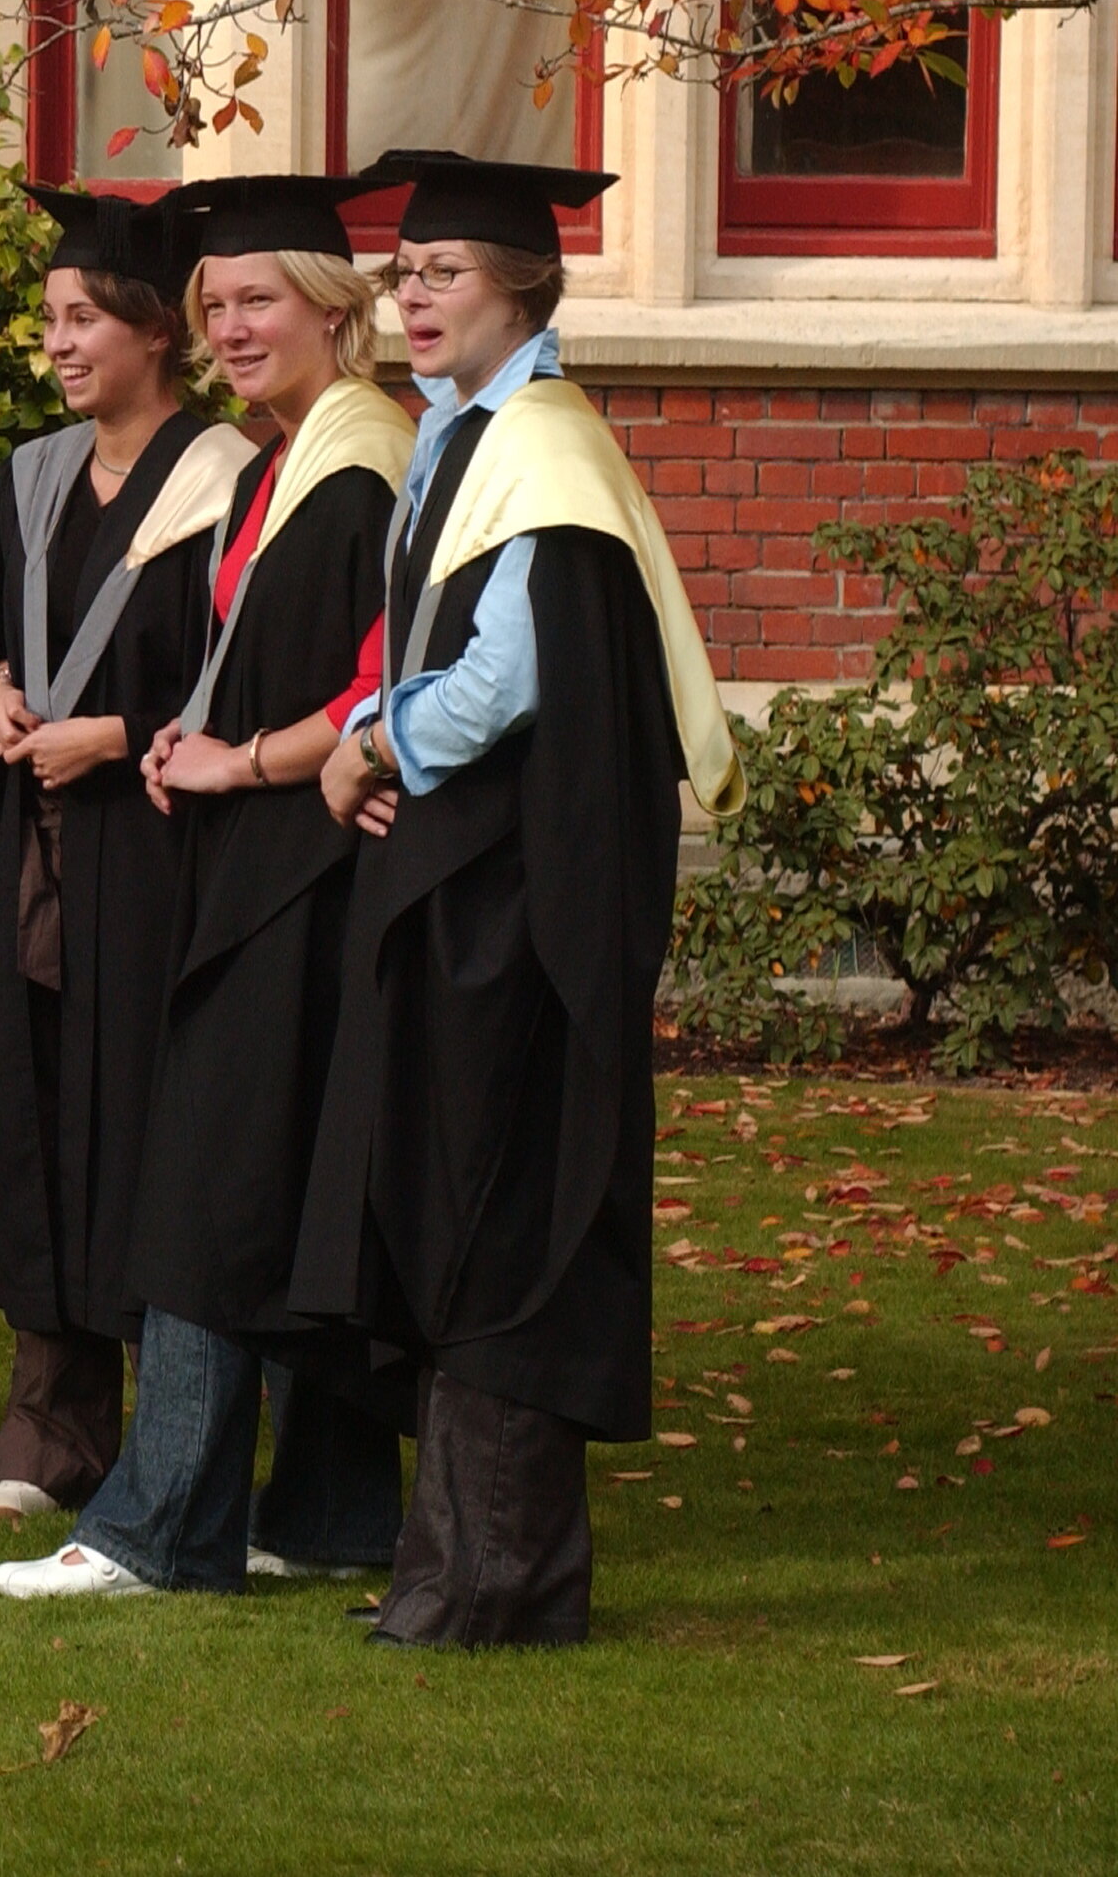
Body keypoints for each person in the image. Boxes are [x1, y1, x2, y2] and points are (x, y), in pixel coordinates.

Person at [286, 149, 742, 1648]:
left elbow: (505, 677)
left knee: (499, 1208)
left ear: (524, 288)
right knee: (451, 1195)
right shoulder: (458, 432)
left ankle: (494, 1579)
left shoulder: (543, 448)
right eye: (403, 273)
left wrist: (371, 742)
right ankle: (458, 1568)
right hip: (463, 881)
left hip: (522, 905)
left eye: (445, 273)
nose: (413, 297)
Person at [0, 172, 418, 1601]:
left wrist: (243, 757)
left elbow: (372, 675)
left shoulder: (356, 463)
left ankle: (155, 1530)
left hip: (300, 870)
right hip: (270, 860)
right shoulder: (291, 452)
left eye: (257, 300)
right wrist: (196, 733)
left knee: (204, 1188)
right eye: (214, 302)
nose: (231, 326)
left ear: (332, 307)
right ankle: (332, 1509)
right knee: (287, 1187)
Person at [0, 186, 255, 1521]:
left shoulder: (228, 481)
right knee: (33, 1121)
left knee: (143, 1129)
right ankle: (47, 1434)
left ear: (152, 330)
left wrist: (118, 730)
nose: (58, 344)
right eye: (49, 320)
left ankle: (165, 1438)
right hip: (36, 853)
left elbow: (252, 670)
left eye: (82, 319)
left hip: (152, 850)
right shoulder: (27, 480)